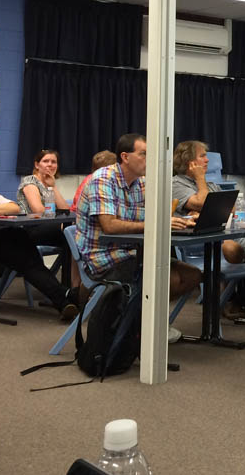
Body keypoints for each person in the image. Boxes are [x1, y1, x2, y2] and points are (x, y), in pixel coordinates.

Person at [76, 134, 201, 341]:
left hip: (134, 253)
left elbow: (158, 215)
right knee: (167, 279)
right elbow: (110, 225)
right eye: (143, 154)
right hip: (104, 257)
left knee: (192, 275)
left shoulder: (141, 183)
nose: (149, 159)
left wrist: (184, 219)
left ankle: (142, 323)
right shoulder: (103, 179)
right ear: (125, 157)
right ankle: (139, 328)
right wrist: (157, 224)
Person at [0, 152, 79, 319]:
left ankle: (64, 300)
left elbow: (14, 208)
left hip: (9, 232)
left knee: (32, 263)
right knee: (29, 263)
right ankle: (66, 297)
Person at [171, 140, 245, 265]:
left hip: (224, 235)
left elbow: (232, 209)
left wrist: (206, 212)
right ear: (188, 161)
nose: (207, 160)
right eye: (202, 156)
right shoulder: (176, 184)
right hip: (204, 243)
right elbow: (203, 203)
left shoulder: (211, 185)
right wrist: (200, 178)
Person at [17, 149, 71, 215]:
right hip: (31, 220)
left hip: (50, 220)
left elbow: (65, 210)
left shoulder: (51, 182)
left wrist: (53, 186)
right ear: (37, 165)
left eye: (53, 162)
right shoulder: (29, 181)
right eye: (45, 161)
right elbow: (38, 210)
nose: (50, 164)